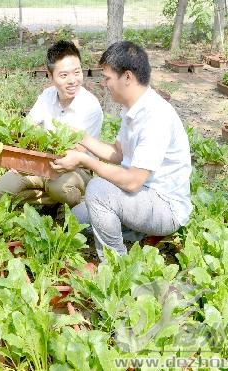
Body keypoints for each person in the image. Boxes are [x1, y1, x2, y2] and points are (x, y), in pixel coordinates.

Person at [51, 41, 192, 260]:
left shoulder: (155, 117)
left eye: (107, 78)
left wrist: (84, 160)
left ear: (127, 77)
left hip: (164, 206)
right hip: (139, 198)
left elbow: (133, 181)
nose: (104, 84)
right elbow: (118, 153)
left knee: (97, 190)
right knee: (75, 219)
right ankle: (136, 231)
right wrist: (79, 136)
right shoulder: (134, 108)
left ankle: (116, 264)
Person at [0, 40, 103, 208]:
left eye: (77, 72)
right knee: (0, 190)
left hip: (74, 169)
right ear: (50, 76)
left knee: (60, 186)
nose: (73, 80)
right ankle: (50, 201)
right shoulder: (47, 95)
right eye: (64, 75)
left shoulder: (90, 106)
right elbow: (26, 128)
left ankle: (75, 202)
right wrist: (21, 160)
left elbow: (76, 152)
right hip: (41, 164)